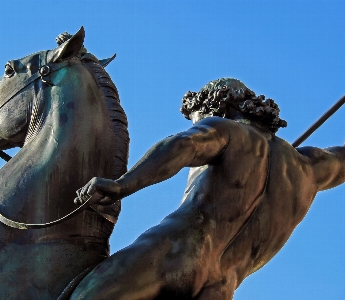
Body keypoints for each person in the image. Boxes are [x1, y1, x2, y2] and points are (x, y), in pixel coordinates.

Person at [70, 78, 345, 300]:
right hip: (221, 288)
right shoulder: (309, 168)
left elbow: (181, 146)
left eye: (199, 120)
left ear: (220, 110)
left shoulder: (228, 131)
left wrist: (122, 185)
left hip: (173, 256)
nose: (199, 125)